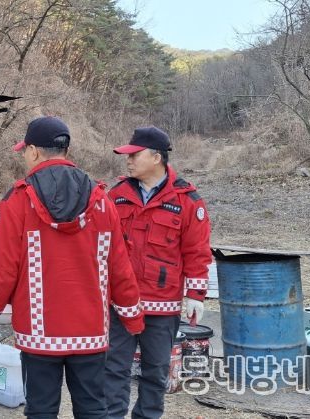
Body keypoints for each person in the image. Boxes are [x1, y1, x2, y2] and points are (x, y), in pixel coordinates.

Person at [0, 116, 144, 418]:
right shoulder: (101, 200)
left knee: (41, 410)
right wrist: (133, 318)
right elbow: (119, 267)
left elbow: (1, 270)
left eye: (25, 151)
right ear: (66, 149)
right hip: (90, 332)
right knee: (93, 409)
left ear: (34, 151)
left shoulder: (19, 200)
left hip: (38, 334)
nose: (24, 156)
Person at [104, 126, 212, 419]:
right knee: (113, 368)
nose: (128, 161)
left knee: (155, 371)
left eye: (134, 155)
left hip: (162, 306)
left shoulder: (186, 200)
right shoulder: (116, 195)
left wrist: (196, 294)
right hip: (121, 303)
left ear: (156, 157)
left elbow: (197, 250)